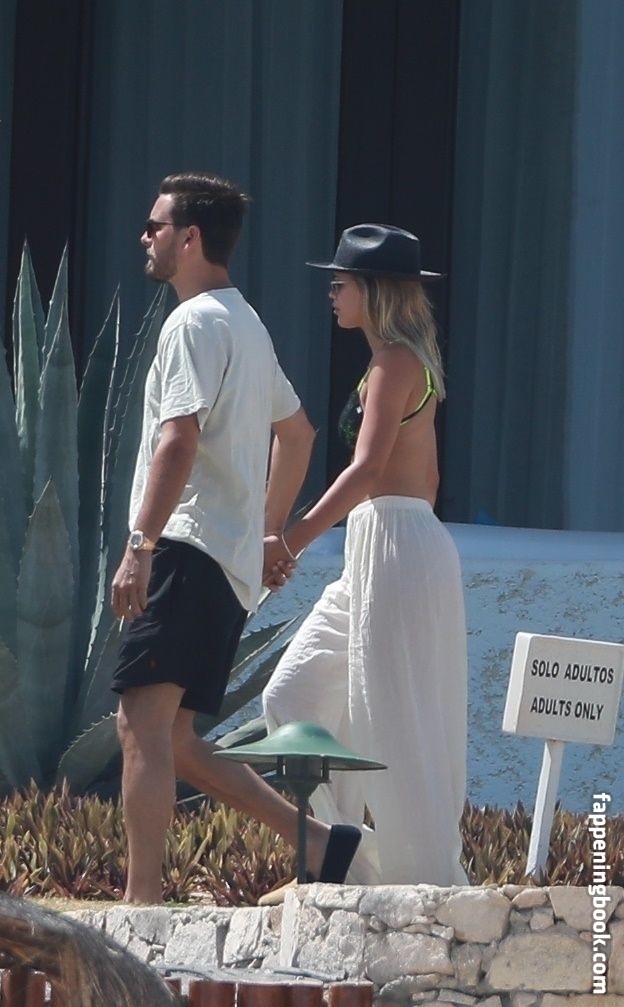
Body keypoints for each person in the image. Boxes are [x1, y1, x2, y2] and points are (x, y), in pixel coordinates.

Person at [110, 173, 361, 904]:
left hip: (184, 552)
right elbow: (300, 433)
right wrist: (266, 534)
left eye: (156, 226)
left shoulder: (192, 323)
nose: (145, 237)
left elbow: (178, 440)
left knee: (140, 725)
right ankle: (318, 841)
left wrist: (140, 545)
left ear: (190, 238)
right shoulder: (245, 322)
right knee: (176, 739)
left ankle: (141, 907)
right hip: (223, 567)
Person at [262, 223, 468, 887]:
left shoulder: (396, 364)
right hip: (377, 547)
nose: (331, 293)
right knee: (292, 696)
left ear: (372, 291)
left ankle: (422, 881)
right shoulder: (388, 362)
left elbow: (368, 469)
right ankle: (350, 859)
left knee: (394, 717)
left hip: (399, 546)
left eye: (340, 282)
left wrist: (291, 538)